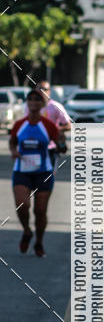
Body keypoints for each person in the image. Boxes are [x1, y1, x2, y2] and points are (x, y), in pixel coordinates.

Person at [10, 88, 61, 257]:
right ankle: (26, 231)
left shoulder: (48, 125)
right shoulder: (19, 124)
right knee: (22, 205)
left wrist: (62, 143)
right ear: (27, 103)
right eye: (30, 99)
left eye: (37, 99)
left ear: (42, 104)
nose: (33, 102)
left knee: (40, 211)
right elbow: (12, 142)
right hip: (22, 171)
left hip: (43, 172)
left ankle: (39, 242)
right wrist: (14, 152)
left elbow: (60, 143)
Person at [31, 81, 70, 169]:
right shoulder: (29, 106)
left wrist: (54, 130)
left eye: (45, 89)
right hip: (34, 147)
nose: (41, 91)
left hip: (51, 148)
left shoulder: (55, 106)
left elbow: (68, 125)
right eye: (39, 89)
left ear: (49, 91)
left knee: (48, 175)